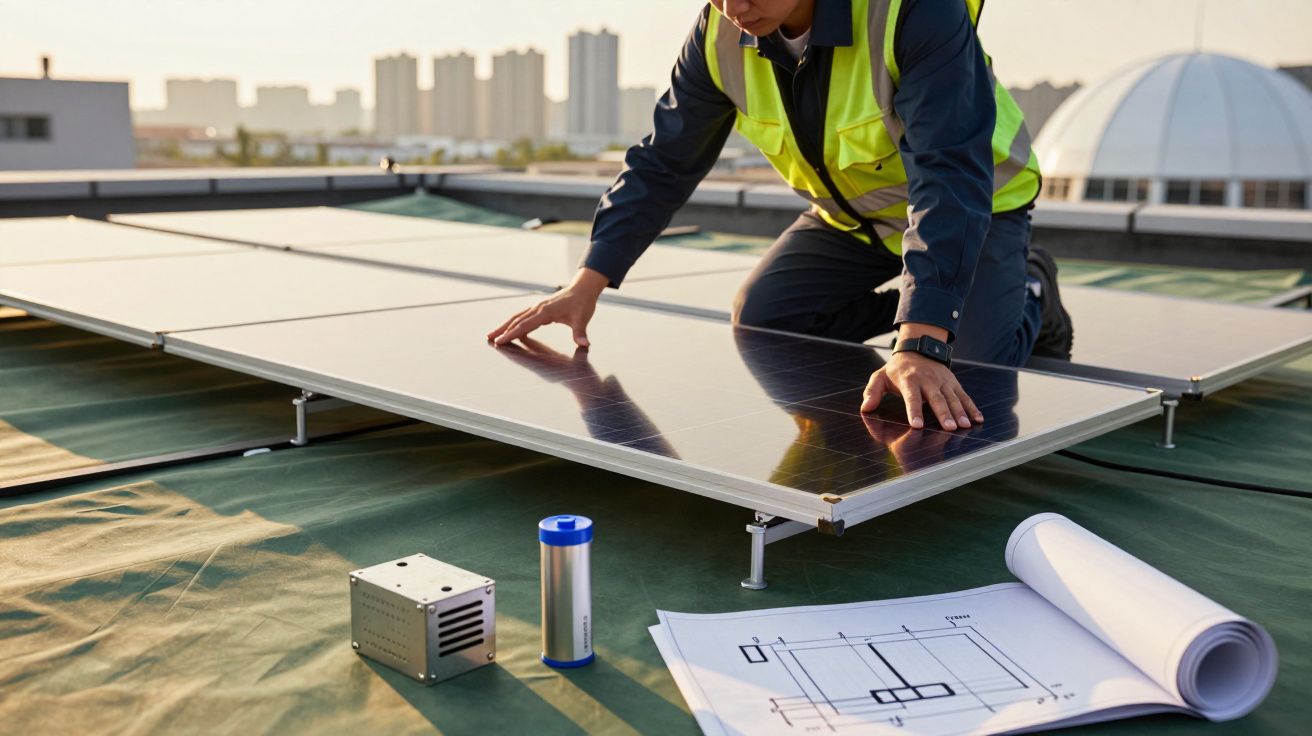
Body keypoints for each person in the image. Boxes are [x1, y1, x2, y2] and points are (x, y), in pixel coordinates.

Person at [488, 0, 1073, 433]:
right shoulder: (719, 34)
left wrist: (924, 339)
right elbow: (665, 160)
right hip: (853, 219)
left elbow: (948, 176)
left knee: (963, 379)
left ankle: (1028, 290)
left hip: (976, 208)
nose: (736, 7)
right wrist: (587, 280)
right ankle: (916, 317)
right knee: (765, 317)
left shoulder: (912, 11)